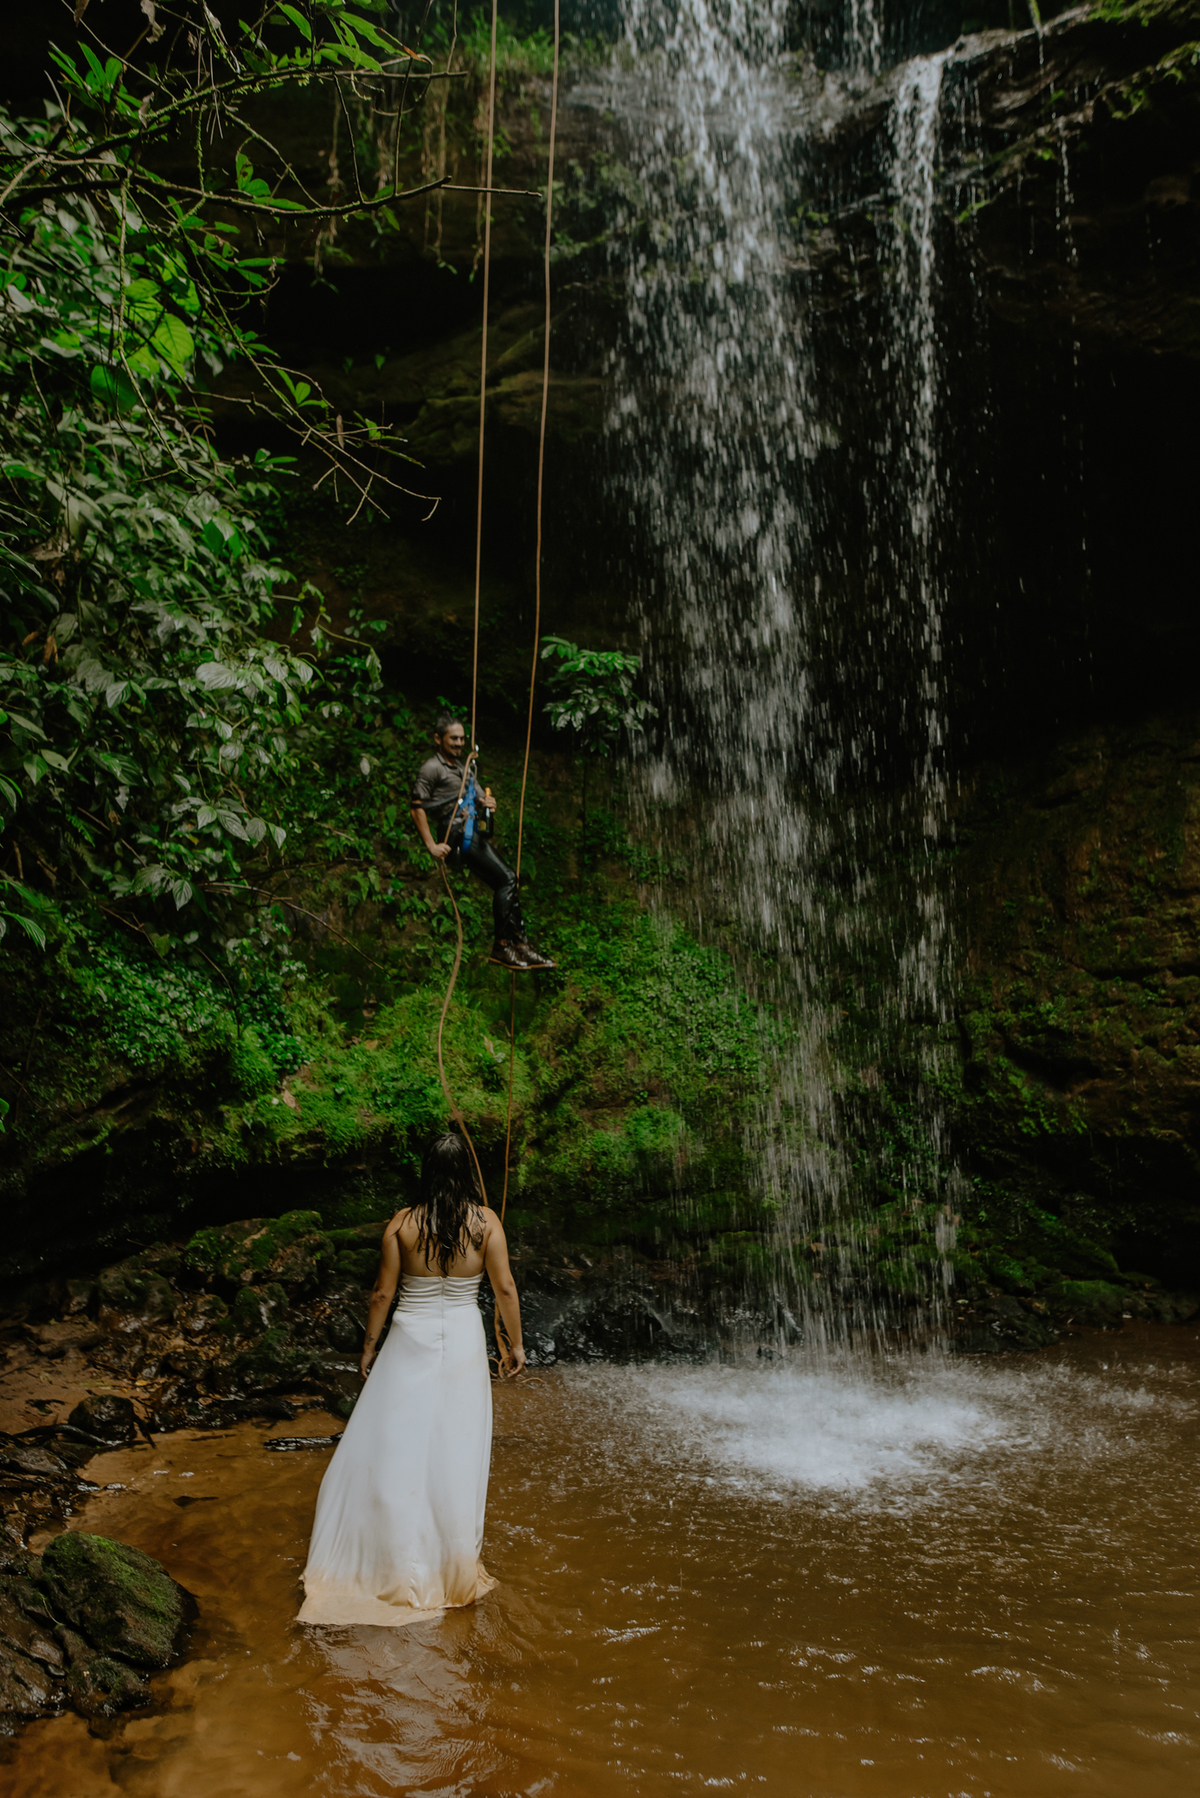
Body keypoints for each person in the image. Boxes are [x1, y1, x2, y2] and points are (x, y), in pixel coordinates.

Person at [298, 1132, 525, 1629]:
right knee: (455, 1445)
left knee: (394, 1441)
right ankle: (448, 1562)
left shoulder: (402, 1224)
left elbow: (382, 1293)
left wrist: (369, 1347)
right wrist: (516, 1345)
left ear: (427, 1171)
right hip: (462, 1338)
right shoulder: (486, 1223)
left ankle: (383, 1553)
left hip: (409, 1338)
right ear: (467, 1172)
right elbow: (504, 1287)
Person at [410, 712, 555, 972]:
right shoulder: (432, 768)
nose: (459, 743)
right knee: (508, 878)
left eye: (462, 738)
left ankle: (520, 945)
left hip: (470, 831)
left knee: (506, 883)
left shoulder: (464, 768)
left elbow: (479, 798)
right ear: (438, 739)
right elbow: (416, 807)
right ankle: (502, 945)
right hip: (456, 834)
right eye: (453, 738)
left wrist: (488, 802)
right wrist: (431, 845)